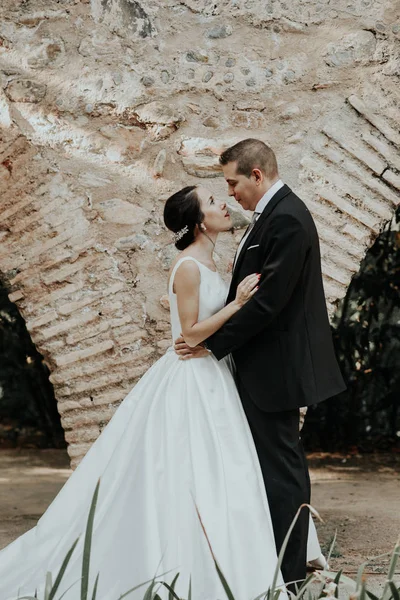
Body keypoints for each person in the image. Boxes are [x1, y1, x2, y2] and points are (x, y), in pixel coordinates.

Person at [0, 185, 292, 600]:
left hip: (211, 374)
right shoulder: (189, 266)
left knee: (225, 470)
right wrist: (239, 303)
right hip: (192, 378)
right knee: (191, 471)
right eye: (212, 202)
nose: (222, 204)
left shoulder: (208, 261)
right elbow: (190, 333)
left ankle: (226, 561)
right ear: (197, 223)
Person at [175, 139, 346, 586]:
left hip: (276, 370)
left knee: (283, 470)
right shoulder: (269, 216)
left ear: (256, 175)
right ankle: (267, 562)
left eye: (232, 183)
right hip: (259, 369)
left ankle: (289, 577)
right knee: (268, 468)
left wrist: (210, 346)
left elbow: (269, 302)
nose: (230, 194)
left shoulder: (287, 218)